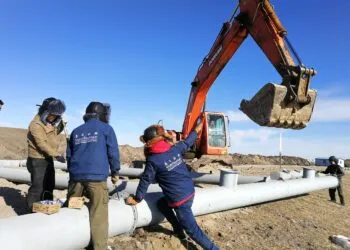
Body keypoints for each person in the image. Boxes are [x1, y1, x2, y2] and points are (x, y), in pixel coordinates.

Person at [126, 120, 219, 250]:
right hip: (189, 191)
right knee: (162, 204)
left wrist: (137, 198)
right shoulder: (175, 149)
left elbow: (145, 180)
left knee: (193, 231)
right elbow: (188, 141)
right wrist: (197, 129)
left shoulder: (153, 160)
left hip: (179, 200)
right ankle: (178, 230)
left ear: (148, 143)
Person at [66, 101, 120, 250]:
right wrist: (115, 171)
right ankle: (99, 247)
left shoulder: (76, 131)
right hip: (96, 180)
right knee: (99, 215)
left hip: (76, 178)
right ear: (102, 114)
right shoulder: (106, 129)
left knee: (72, 209)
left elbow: (69, 156)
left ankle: (69, 242)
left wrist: (73, 174)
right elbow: (113, 153)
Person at [26, 97, 66, 210]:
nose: (54, 117)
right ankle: (31, 210)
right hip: (37, 159)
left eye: (57, 115)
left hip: (47, 158)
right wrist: (56, 155)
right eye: (53, 114)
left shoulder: (49, 123)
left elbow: (52, 136)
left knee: (49, 184)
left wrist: (61, 126)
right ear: (45, 111)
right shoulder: (36, 124)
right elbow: (42, 143)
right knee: (38, 187)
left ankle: (46, 206)